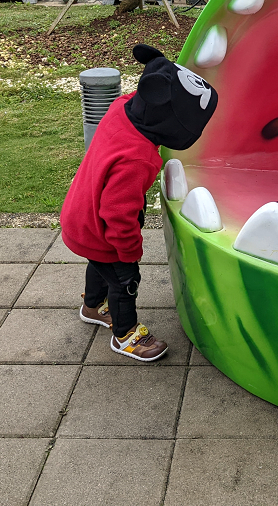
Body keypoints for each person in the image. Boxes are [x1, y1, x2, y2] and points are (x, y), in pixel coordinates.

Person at [61, 44, 218, 361]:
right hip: (102, 229)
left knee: (100, 265)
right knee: (124, 279)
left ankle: (92, 306)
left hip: (80, 215)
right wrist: (129, 252)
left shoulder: (123, 107)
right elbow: (118, 214)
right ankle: (126, 335)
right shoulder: (138, 160)